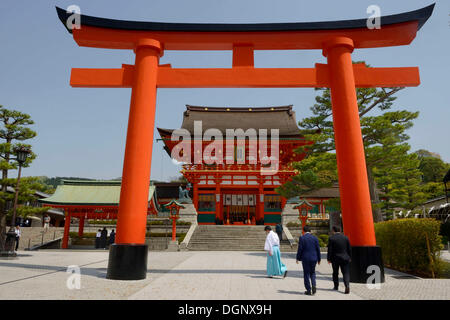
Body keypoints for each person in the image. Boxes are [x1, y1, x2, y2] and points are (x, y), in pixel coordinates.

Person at [296, 225, 321, 295]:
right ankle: (314, 285)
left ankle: (308, 290)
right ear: (310, 231)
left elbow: (300, 249)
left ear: (303, 231)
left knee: (306, 273)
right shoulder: (315, 238)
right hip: (314, 258)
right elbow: (318, 249)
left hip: (305, 258)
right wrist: (319, 259)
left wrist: (298, 258)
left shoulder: (302, 238)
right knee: (312, 272)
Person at [327, 226, 352, 294]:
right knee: (345, 273)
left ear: (333, 230)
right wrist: (350, 257)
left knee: (335, 272)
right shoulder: (345, 237)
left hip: (335, 259)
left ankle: (336, 286)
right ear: (340, 230)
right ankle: (347, 285)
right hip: (345, 258)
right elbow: (349, 249)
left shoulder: (331, 238)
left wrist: (328, 259)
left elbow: (330, 250)